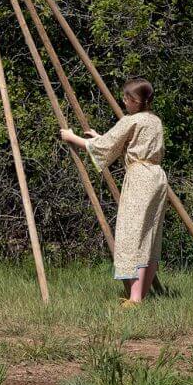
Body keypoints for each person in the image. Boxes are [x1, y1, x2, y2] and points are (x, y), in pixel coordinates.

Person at [60, 78, 168, 306]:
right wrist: (102, 137)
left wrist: (72, 138)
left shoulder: (132, 120)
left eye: (128, 99)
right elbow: (124, 144)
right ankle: (140, 296)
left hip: (140, 179)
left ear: (138, 101)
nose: (125, 102)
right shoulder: (154, 121)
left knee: (133, 234)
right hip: (157, 177)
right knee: (149, 236)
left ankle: (136, 299)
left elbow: (105, 147)